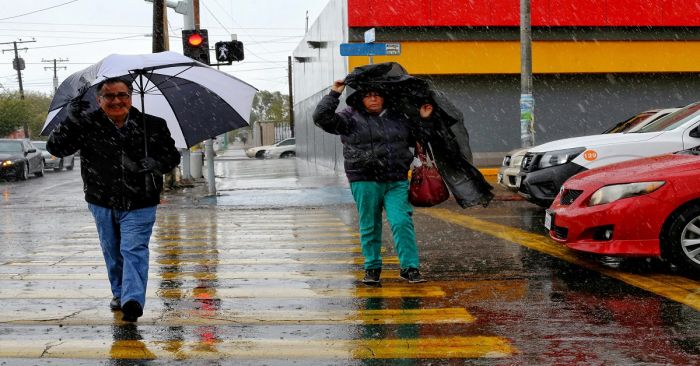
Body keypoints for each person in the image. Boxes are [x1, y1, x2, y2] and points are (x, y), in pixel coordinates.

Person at [47, 77, 181, 322]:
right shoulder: (86, 124)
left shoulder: (152, 125)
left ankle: (132, 300)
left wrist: (156, 164)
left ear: (130, 97)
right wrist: (70, 120)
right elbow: (57, 149)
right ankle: (119, 293)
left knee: (133, 248)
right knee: (113, 250)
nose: (116, 100)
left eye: (122, 95)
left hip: (141, 199)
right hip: (101, 199)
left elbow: (171, 156)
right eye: (109, 96)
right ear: (99, 100)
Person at [313, 79, 433, 284]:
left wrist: (424, 119)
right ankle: (372, 268)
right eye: (368, 95)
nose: (373, 98)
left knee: (402, 222)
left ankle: (410, 267)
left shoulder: (399, 117)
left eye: (377, 94)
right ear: (361, 98)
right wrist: (334, 93)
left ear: (384, 97)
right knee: (370, 224)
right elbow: (321, 118)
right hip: (364, 178)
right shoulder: (349, 117)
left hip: (396, 179)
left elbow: (420, 137)